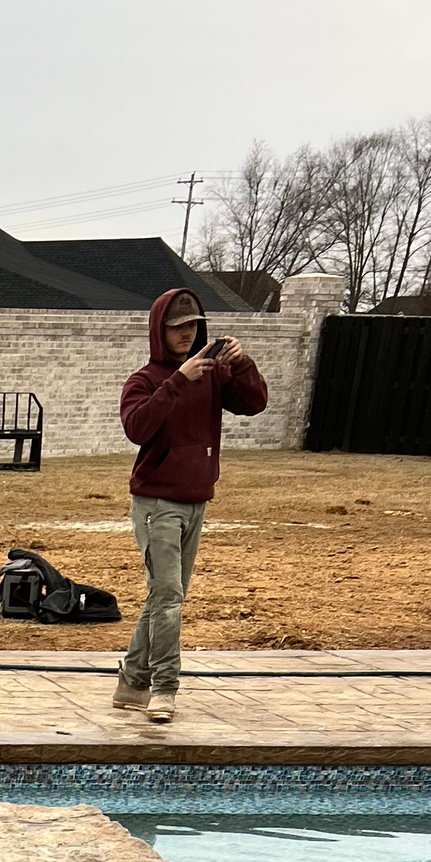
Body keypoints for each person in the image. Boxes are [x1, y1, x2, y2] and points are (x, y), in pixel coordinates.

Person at [115, 287, 267, 723]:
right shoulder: (144, 380)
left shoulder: (216, 374)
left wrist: (241, 365)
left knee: (164, 597)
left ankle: (131, 682)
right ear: (160, 331)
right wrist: (179, 379)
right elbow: (137, 428)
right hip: (156, 503)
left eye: (194, 326)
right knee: (168, 599)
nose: (187, 334)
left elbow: (255, 404)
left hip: (197, 501)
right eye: (178, 328)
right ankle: (164, 688)